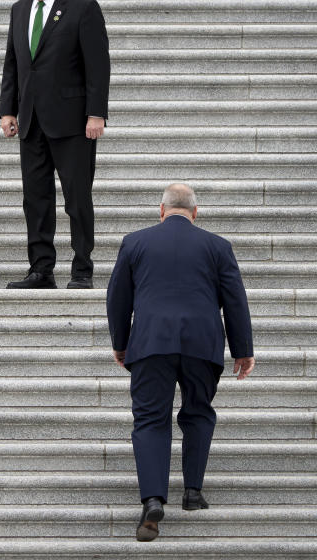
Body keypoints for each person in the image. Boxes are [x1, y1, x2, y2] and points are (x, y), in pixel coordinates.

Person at [106, 184, 255, 542]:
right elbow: (235, 300)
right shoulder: (218, 246)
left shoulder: (135, 242)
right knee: (198, 412)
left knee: (151, 419)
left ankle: (154, 499)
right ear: (195, 212)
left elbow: (117, 297)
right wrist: (243, 349)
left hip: (151, 343)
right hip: (201, 344)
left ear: (161, 211)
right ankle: (192, 492)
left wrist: (120, 343)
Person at [0, 0, 110, 290]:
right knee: (35, 198)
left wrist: (96, 114)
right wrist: (7, 109)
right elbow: (14, 63)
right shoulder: (20, 10)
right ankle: (41, 269)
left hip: (73, 122)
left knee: (77, 198)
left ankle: (82, 269)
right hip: (31, 121)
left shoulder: (83, 7)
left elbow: (98, 65)